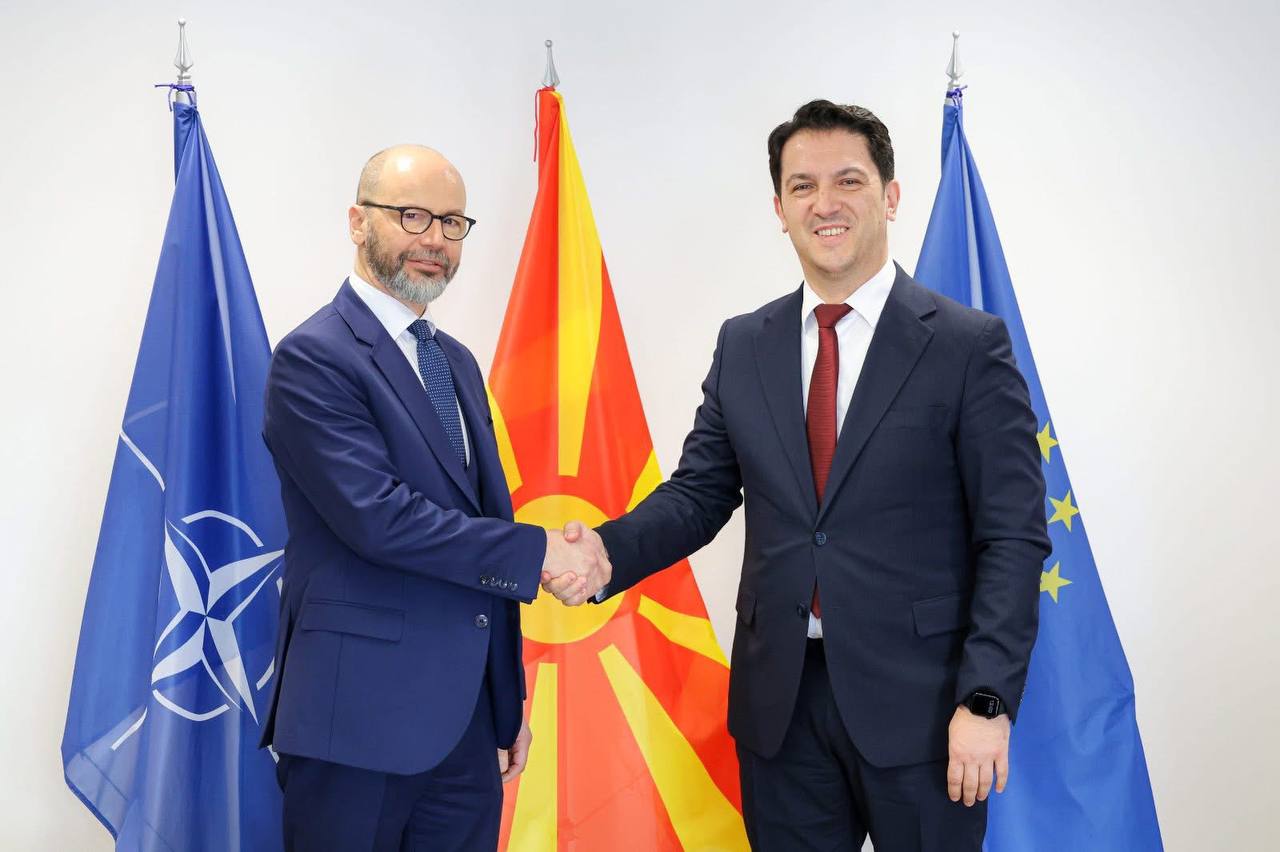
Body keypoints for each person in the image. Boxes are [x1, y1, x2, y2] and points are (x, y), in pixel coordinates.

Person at [545, 101, 1050, 851]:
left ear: (891, 195)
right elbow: (699, 494)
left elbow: (1012, 536)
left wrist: (986, 699)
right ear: (780, 210)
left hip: (927, 709)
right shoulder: (745, 343)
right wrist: (605, 552)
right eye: (802, 186)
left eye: (849, 180)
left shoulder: (968, 346)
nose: (825, 203)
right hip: (780, 707)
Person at [259, 144, 608, 851]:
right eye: (412, 216)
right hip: (354, 727)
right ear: (358, 221)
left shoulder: (455, 362)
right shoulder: (314, 356)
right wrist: (539, 551)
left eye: (452, 223)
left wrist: (503, 704)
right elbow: (380, 519)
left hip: (465, 731)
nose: (435, 240)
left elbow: (477, 521)